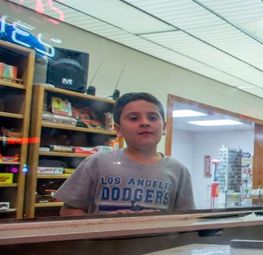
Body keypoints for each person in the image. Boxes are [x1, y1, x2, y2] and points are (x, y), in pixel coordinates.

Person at [56, 92, 195, 215]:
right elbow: (68, 210)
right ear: (118, 129)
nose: (145, 123)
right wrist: (104, 224)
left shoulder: (178, 171)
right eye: (134, 118)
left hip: (160, 244)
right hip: (103, 244)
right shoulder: (97, 163)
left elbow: (186, 218)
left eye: (152, 118)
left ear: (164, 127)